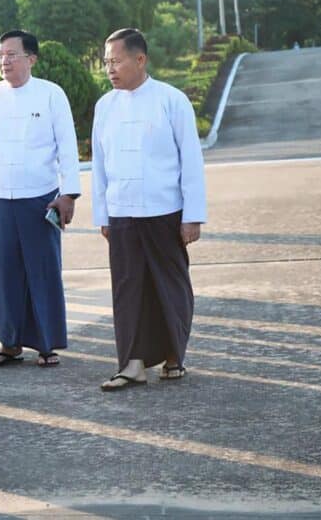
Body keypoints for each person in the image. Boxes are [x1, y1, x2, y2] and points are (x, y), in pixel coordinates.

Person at [92, 28, 207, 391]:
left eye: (117, 61)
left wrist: (192, 214)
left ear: (140, 60)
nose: (110, 68)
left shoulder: (171, 100)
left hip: (164, 211)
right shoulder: (104, 106)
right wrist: (103, 215)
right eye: (106, 62)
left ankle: (174, 357)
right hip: (122, 212)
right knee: (127, 290)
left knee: (169, 286)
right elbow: (99, 165)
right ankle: (132, 364)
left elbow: (191, 160)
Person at [0, 29, 81, 369]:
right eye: (0, 54)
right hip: (1, 201)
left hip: (41, 200)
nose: (4, 61)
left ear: (31, 58)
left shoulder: (51, 94)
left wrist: (69, 193)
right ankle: (9, 343)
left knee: (42, 272)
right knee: (4, 274)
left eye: (12, 54)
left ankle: (46, 344)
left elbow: (67, 146)